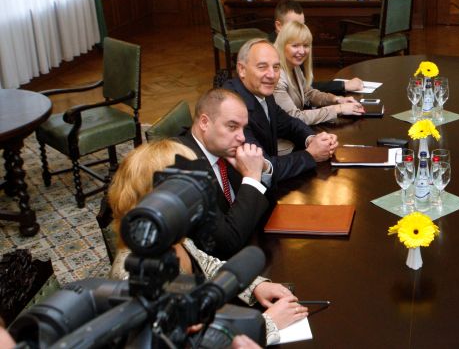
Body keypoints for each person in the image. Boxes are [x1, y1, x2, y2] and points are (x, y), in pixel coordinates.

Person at [107, 140, 308, 346]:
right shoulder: (133, 277)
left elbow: (208, 266)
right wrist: (266, 324)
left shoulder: (173, 237)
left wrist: (255, 286)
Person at [223, 38, 339, 184]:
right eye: (262, 67)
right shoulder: (232, 108)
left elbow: (288, 124)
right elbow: (262, 167)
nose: (272, 75)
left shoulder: (261, 91)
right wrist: (310, 155)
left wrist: (313, 139)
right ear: (242, 69)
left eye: (276, 67)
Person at [174, 88, 270, 259]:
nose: (242, 137)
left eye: (243, 128)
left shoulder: (222, 149)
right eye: (232, 126)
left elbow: (262, 205)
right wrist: (251, 177)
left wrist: (260, 170)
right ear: (204, 123)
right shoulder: (185, 168)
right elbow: (226, 243)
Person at [274, 21, 364, 124]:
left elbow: (308, 94)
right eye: (295, 46)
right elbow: (295, 118)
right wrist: (338, 109)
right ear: (282, 45)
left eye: (306, 45)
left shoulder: (294, 66)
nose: (302, 51)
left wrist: (337, 99)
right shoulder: (276, 77)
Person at [269, 0, 364, 94]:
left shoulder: (298, 46)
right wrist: (342, 85)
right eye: (295, 25)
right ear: (279, 26)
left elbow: (304, 87)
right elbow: (305, 89)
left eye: (302, 25)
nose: (301, 30)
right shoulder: (270, 54)